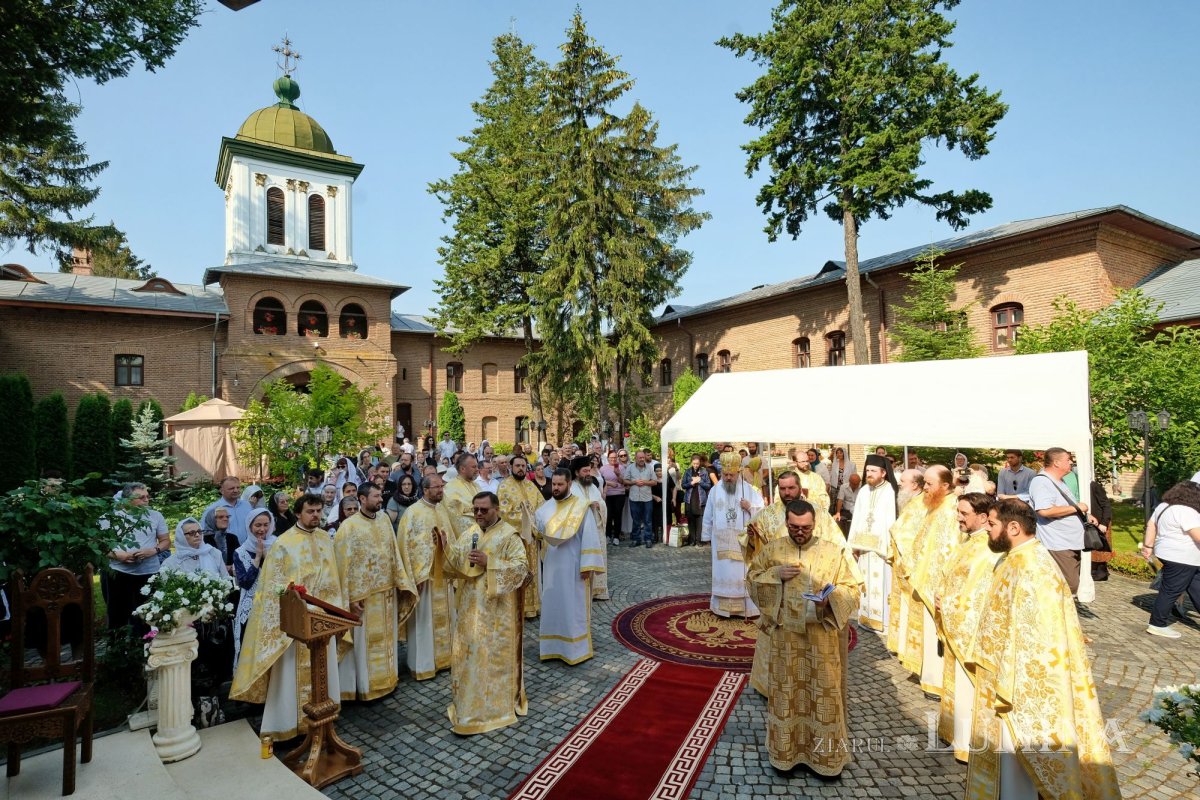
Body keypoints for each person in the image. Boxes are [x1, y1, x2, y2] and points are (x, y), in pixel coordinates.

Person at [964, 499, 1121, 800]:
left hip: (1018, 685)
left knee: (1016, 766)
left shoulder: (1035, 569)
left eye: (992, 523)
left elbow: (1038, 638)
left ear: (1013, 527)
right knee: (1003, 759)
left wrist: (1009, 679)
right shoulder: (1013, 558)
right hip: (999, 675)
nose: (986, 527)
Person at [747, 500, 862, 776]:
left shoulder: (834, 552)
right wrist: (776, 574)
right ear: (787, 523)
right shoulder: (774, 550)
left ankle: (824, 760)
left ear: (815, 524)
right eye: (795, 527)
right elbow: (752, 579)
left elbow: (852, 588)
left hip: (820, 641)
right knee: (787, 693)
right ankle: (785, 753)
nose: (800, 532)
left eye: (806, 527)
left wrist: (830, 600)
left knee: (823, 694)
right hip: (785, 640)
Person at [231, 494, 348, 740]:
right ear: (298, 513)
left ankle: (323, 721)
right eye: (310, 511)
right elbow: (272, 586)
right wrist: (294, 602)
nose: (316, 515)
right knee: (290, 678)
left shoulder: (326, 538)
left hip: (323, 622)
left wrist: (336, 610)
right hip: (295, 626)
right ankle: (288, 726)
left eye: (319, 510)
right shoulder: (283, 544)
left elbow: (334, 577)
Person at [743, 470, 845, 696]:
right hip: (780, 592)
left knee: (813, 636)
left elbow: (838, 546)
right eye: (783, 488)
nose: (787, 493)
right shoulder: (767, 514)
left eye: (791, 488)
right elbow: (754, 554)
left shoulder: (818, 513)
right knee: (779, 638)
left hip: (813, 584)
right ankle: (772, 685)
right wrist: (751, 537)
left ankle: (813, 684)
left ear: (800, 488)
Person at [441, 492, 529, 735]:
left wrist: (489, 562)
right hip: (470, 610)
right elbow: (457, 561)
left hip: (498, 613)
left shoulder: (509, 536)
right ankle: (468, 702)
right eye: (476, 510)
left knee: (491, 657)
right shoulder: (472, 532)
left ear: (496, 510)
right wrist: (443, 547)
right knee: (470, 656)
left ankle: (493, 708)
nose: (478, 514)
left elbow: (522, 570)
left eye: (484, 510)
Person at [334, 484, 417, 701]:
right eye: (376, 496)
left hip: (387, 593)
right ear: (362, 498)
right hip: (364, 598)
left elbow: (393, 552)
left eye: (381, 495)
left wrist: (401, 582)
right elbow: (343, 567)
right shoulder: (348, 527)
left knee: (387, 641)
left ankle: (388, 681)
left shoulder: (383, 520)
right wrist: (350, 598)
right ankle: (366, 688)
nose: (381, 499)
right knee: (365, 646)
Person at [933, 492, 998, 762]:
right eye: (958, 512)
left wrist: (946, 603)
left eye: (963, 514)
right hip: (953, 623)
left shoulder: (987, 549)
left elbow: (979, 595)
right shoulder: (971, 541)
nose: (958, 518)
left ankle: (969, 743)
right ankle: (957, 736)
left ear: (983, 517)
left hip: (967, 632)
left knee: (966, 688)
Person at [901, 465, 961, 698]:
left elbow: (952, 550)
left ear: (945, 486)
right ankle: (930, 677)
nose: (924, 487)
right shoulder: (935, 505)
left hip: (938, 583)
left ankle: (937, 683)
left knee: (937, 634)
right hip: (926, 578)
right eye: (924, 483)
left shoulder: (951, 510)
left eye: (929, 484)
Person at [535, 469, 605, 664]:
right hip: (551, 566)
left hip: (574, 567)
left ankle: (575, 650)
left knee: (573, 607)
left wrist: (587, 566)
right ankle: (552, 648)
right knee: (552, 605)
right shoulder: (545, 508)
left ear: (568, 484)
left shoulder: (581, 508)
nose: (555, 488)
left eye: (560, 485)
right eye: (554, 484)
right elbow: (538, 535)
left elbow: (590, 537)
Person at [397, 475, 456, 680]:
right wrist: (415, 577)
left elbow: (452, 539)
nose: (441, 490)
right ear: (425, 489)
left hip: (444, 575)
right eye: (437, 487)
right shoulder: (412, 513)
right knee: (424, 623)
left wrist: (446, 545)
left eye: (442, 486)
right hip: (425, 578)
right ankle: (422, 665)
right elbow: (406, 546)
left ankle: (446, 659)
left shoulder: (441, 509)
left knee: (447, 620)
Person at [703, 453, 764, 618]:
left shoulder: (749, 490)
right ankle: (722, 609)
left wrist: (750, 506)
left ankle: (745, 608)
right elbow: (708, 514)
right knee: (723, 572)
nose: (728, 478)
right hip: (720, 542)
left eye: (732, 475)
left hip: (741, 542)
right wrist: (706, 536)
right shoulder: (715, 491)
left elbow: (762, 511)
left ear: (739, 472)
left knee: (741, 574)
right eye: (725, 475)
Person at [103, 483, 170, 631]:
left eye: (147, 496)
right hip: (119, 573)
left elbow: (166, 541)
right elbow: (98, 546)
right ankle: (118, 649)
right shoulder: (110, 518)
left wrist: (153, 551)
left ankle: (148, 648)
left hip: (149, 572)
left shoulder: (156, 516)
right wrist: (117, 555)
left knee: (149, 615)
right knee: (118, 615)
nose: (147, 500)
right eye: (141, 497)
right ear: (127, 500)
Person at [846, 455, 897, 633]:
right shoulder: (863, 491)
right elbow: (857, 518)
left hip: (880, 550)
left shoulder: (890, 491)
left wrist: (886, 546)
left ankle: (883, 623)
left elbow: (890, 520)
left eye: (873, 471)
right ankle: (865, 619)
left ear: (883, 473)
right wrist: (853, 544)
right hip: (864, 549)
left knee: (881, 586)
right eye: (867, 470)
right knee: (865, 585)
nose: (869, 474)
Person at [1142, 480, 1200, 638]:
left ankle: (1157, 623)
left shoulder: (1163, 506)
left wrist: (1147, 546)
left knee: (1196, 588)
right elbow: (1198, 535)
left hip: (1168, 554)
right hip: (1183, 557)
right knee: (1170, 591)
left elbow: (1151, 525)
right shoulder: (1187, 511)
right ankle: (1157, 624)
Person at [1028, 447, 1088, 596]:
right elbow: (1044, 510)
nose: (1071, 462)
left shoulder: (1059, 481)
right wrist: (1076, 508)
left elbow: (1065, 505)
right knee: (1067, 586)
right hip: (1057, 543)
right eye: (1068, 460)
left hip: (1068, 542)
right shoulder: (1042, 482)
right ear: (1056, 463)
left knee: (1068, 586)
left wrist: (1084, 514)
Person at [499, 455, 546, 619]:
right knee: (518, 571)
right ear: (511, 467)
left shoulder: (531, 486)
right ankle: (517, 607)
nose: (520, 468)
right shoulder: (504, 486)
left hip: (531, 539)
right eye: (517, 465)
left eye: (523, 466)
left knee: (532, 571)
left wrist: (536, 522)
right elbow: (503, 513)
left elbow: (542, 508)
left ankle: (533, 605)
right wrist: (526, 519)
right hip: (516, 539)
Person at [886, 468, 927, 656]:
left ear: (915, 485)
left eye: (903, 481)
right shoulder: (911, 502)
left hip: (909, 565)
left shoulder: (921, 505)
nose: (900, 484)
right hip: (900, 562)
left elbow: (910, 535)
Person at [232, 508, 277, 669]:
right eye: (258, 525)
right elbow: (245, 582)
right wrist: (258, 557)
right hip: (251, 606)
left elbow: (281, 576)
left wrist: (269, 557)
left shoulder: (277, 545)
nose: (262, 529)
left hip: (274, 604)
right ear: (250, 526)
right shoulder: (240, 552)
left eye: (266, 525)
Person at [569, 456, 609, 600]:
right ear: (577, 473)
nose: (588, 474)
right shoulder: (571, 488)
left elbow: (602, 503)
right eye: (585, 471)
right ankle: (584, 590)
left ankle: (598, 590)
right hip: (583, 532)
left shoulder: (592, 486)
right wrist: (587, 505)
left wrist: (599, 506)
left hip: (597, 528)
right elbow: (571, 509)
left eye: (589, 470)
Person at [623, 449, 658, 548]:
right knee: (636, 520)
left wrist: (645, 482)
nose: (642, 459)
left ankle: (648, 539)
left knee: (647, 520)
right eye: (640, 458)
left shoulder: (650, 468)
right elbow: (625, 481)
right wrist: (634, 482)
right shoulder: (630, 467)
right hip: (634, 498)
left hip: (647, 498)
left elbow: (655, 482)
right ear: (636, 458)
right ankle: (636, 539)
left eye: (643, 457)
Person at [203, 476, 252, 545]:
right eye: (231, 488)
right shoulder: (213, 509)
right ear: (221, 491)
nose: (236, 490)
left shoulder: (247, 505)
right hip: (225, 550)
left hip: (247, 549)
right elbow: (205, 533)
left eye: (238, 487)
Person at [681, 454, 712, 547]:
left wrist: (700, 481)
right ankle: (692, 540)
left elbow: (708, 485)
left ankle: (699, 540)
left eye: (697, 464)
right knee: (691, 520)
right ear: (691, 462)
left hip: (700, 499)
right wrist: (691, 483)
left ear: (700, 463)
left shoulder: (704, 471)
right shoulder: (687, 472)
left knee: (700, 521)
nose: (695, 465)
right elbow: (683, 485)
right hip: (690, 499)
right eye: (694, 463)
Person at [200, 505, 238, 576]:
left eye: (227, 517)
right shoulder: (203, 539)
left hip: (232, 577)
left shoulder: (232, 538)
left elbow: (240, 558)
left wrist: (232, 567)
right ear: (211, 519)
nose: (225, 519)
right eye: (221, 517)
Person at [599, 450, 627, 546]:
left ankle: (616, 536)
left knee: (618, 515)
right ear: (608, 459)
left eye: (615, 457)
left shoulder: (622, 468)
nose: (613, 459)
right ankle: (607, 535)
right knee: (608, 515)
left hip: (619, 494)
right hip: (608, 495)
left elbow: (623, 482)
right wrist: (609, 483)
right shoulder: (602, 469)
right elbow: (600, 481)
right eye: (611, 458)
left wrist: (618, 474)